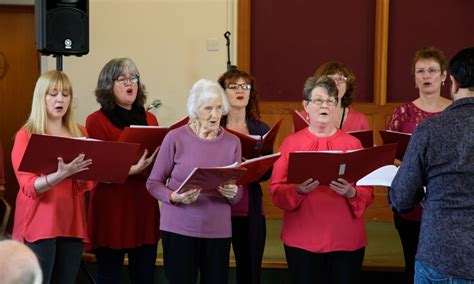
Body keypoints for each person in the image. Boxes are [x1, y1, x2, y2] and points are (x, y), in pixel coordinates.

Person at [269, 76, 374, 284]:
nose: (325, 105)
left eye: (330, 101)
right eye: (318, 100)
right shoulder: (291, 144)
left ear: (336, 106)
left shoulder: (353, 143)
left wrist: (352, 193)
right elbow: (276, 191)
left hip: (346, 239)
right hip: (302, 238)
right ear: (305, 106)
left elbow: (368, 190)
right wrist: (297, 190)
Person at [388, 47, 474, 283]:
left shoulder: (430, 129)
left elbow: (402, 197)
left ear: (452, 82)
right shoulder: (412, 117)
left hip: (441, 251)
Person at [146, 79, 243, 284]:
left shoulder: (233, 143)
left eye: (218, 108)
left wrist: (234, 193)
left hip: (218, 230)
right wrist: (173, 196)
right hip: (179, 227)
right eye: (208, 108)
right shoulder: (175, 138)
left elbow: (238, 191)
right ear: (195, 110)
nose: (215, 115)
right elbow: (153, 182)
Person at [11, 70, 94, 284]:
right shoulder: (26, 135)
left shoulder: (79, 132)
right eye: (53, 93)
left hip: (72, 223)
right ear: (42, 97)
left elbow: (87, 181)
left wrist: (122, 168)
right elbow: (28, 186)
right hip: (39, 225)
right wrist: (60, 175)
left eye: (66, 94)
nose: (60, 99)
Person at [86, 58, 160, 284]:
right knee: (109, 275)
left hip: (143, 206)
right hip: (112, 208)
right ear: (109, 85)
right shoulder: (96, 121)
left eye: (134, 78)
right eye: (123, 79)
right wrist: (131, 169)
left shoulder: (150, 118)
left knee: (145, 275)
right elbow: (96, 168)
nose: (130, 83)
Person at [218, 69, 270, 284]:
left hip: (250, 210)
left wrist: (253, 167)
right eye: (234, 86)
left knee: (249, 272)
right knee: (216, 271)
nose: (241, 90)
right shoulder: (214, 125)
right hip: (216, 208)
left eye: (245, 86)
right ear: (222, 93)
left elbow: (269, 170)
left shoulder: (260, 128)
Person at [298, 62, 369, 132]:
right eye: (330, 79)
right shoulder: (303, 117)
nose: (335, 83)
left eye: (340, 79)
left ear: (347, 86)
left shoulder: (360, 119)